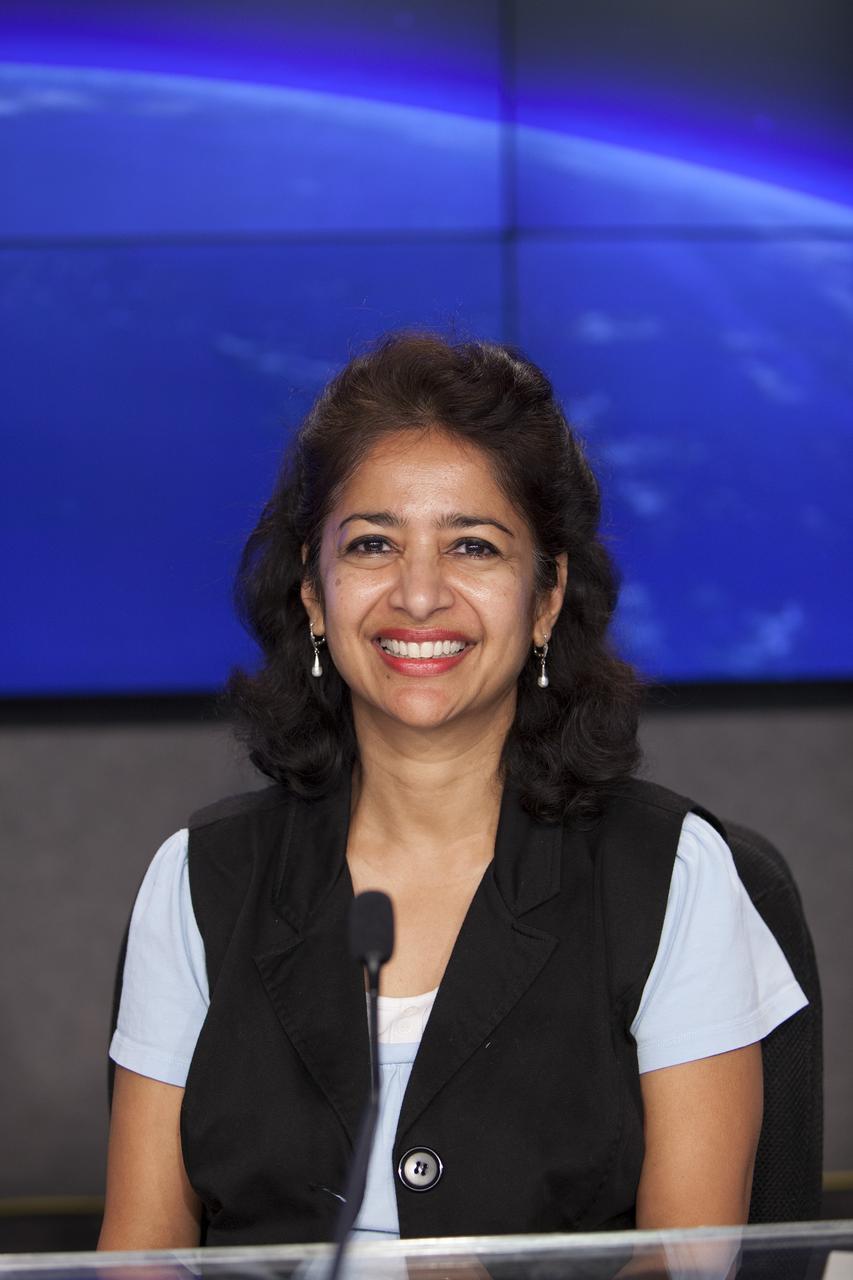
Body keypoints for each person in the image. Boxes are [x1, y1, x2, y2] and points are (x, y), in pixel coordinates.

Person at [99, 331, 807, 1251]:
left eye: (472, 545)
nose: (419, 594)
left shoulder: (669, 874)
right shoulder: (199, 879)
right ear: (313, 594)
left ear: (546, 597)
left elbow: (686, 1265)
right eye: (371, 545)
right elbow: (141, 1254)